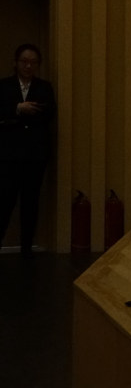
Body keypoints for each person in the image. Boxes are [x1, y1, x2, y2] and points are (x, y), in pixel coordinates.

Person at [1, 44, 56, 256]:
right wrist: (18, 108)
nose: (28, 66)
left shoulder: (44, 87)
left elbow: (49, 113)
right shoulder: (4, 86)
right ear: (16, 63)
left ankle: (26, 249)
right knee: (5, 200)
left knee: (31, 202)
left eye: (33, 62)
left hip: (35, 154)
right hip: (8, 154)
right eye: (24, 61)